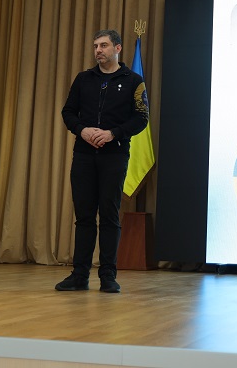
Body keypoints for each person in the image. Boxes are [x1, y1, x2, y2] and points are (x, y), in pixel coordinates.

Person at [57, 29, 149, 294]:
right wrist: (82, 130)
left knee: (109, 216)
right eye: (96, 46)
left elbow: (141, 118)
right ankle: (79, 275)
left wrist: (113, 134)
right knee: (84, 217)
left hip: (114, 155)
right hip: (84, 155)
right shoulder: (83, 79)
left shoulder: (134, 81)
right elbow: (68, 112)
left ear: (117, 48)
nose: (98, 50)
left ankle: (108, 275)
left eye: (104, 45)